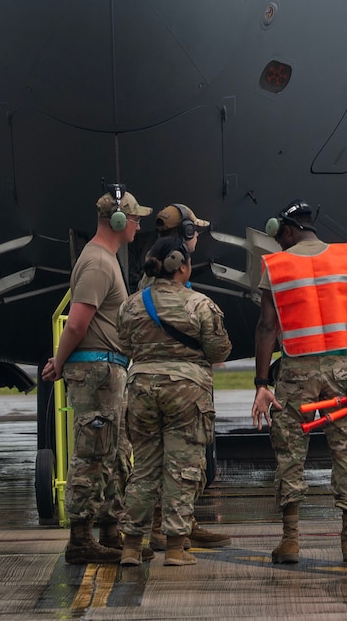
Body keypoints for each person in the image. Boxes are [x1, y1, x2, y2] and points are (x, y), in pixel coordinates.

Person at [249, 201, 347, 565]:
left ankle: (290, 541)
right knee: (346, 451)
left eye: (279, 238)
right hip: (338, 369)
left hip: (295, 370)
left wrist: (260, 381)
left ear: (287, 230)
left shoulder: (276, 266)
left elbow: (268, 328)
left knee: (289, 453)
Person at [40, 184, 146, 565]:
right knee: (92, 454)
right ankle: (81, 538)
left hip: (109, 369)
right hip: (97, 371)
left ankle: (110, 530)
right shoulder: (100, 263)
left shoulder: (105, 259)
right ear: (118, 220)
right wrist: (59, 360)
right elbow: (77, 323)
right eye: (134, 219)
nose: (137, 225)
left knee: (115, 453)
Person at [113, 236, 230, 567]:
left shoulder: (132, 305)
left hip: (140, 389)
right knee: (182, 469)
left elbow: (124, 346)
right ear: (182, 266)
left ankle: (132, 547)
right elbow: (220, 350)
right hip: (187, 392)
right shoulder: (200, 305)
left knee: (145, 468)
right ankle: (176, 548)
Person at [145, 204, 231, 551]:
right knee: (174, 460)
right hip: (178, 385)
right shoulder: (164, 286)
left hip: (164, 384)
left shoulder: (159, 278)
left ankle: (182, 521)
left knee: (183, 460)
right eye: (196, 232)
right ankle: (163, 529)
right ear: (188, 235)